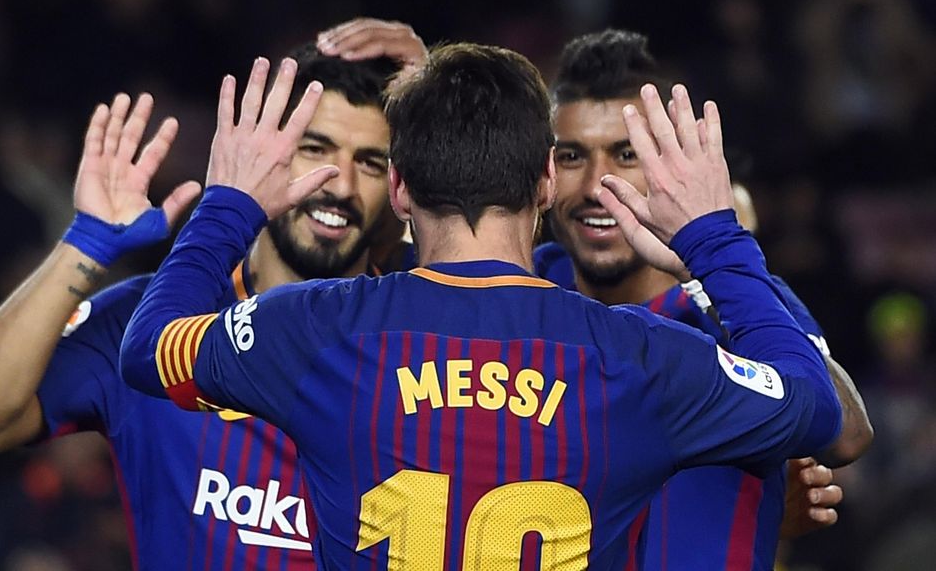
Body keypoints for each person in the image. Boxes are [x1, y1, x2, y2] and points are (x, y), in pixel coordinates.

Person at [120, 43, 847, 569]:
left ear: (398, 188)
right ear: (546, 182)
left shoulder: (312, 328)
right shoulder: (638, 357)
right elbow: (817, 405)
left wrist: (229, 206)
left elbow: (148, 349)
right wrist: (714, 242)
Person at [0, 39, 407, 569]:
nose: (340, 184)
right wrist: (86, 245)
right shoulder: (148, 323)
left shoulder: (418, 336)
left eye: (370, 162)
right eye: (315, 148)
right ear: (261, 157)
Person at [535, 28, 872, 569]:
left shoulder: (734, 297)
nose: (598, 186)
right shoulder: (526, 282)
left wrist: (706, 269)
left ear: (675, 169)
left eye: (627, 153)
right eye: (571, 155)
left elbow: (848, 434)